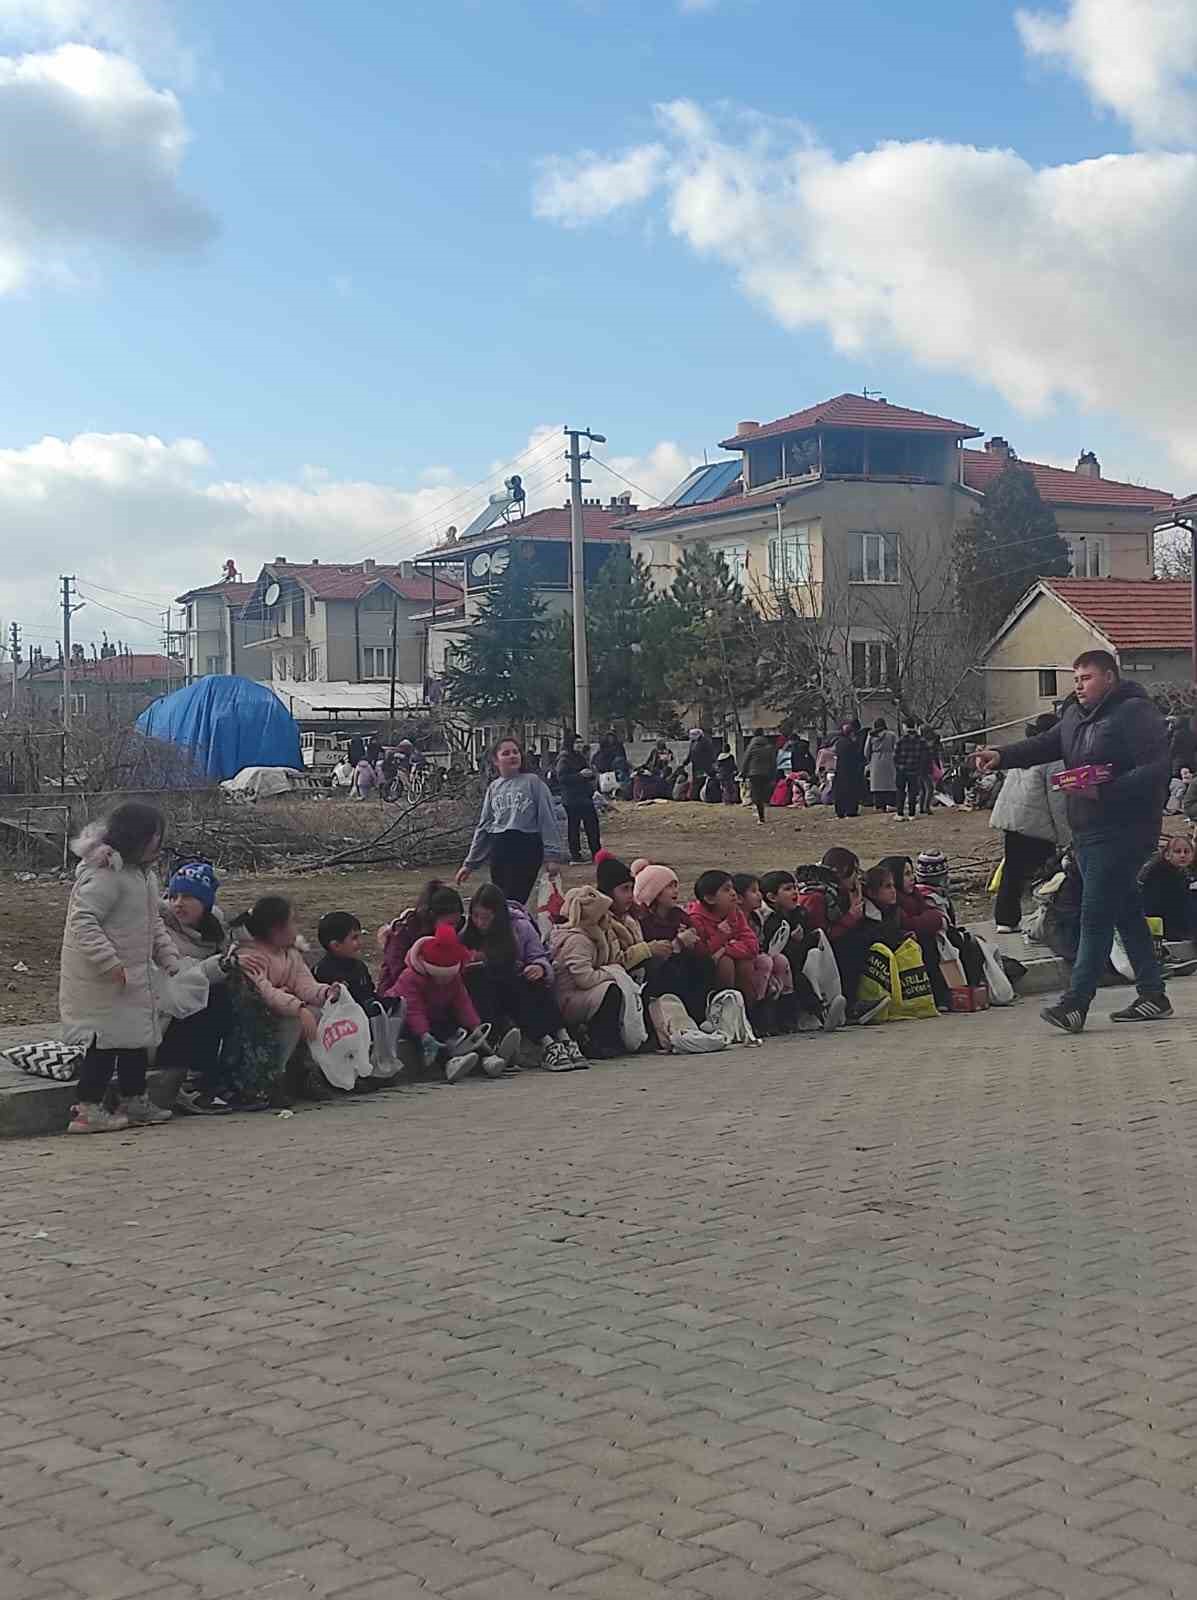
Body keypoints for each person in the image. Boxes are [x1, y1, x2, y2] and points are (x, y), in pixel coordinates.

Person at [975, 649, 1171, 1031]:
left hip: (1125, 830)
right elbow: (1044, 745)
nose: (1079, 686)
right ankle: (1153, 993)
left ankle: (1075, 1002)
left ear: (1110, 678)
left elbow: (1156, 769)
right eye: (1076, 679)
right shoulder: (1074, 718)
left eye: (1087, 678)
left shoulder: (1133, 712)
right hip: (1086, 829)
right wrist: (1000, 755)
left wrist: (1108, 791)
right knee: (1125, 911)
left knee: (1095, 915)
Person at [59, 803, 181, 1134]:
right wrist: (109, 961)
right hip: (105, 978)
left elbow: (152, 922)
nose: (158, 844)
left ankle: (134, 1098)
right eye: (153, 837)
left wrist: (169, 958)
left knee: (135, 1039)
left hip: (133, 976)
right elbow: (82, 921)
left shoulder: (143, 876)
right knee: (104, 1042)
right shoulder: (106, 874)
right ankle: (87, 1107)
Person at [227, 897, 341, 1106]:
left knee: (318, 1014)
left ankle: (304, 1073)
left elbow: (305, 984)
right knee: (295, 1021)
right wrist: (298, 1008)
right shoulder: (250, 955)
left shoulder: (290, 954)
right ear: (275, 929)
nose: (296, 927)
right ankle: (268, 1081)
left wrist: (326, 992)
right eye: (292, 922)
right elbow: (265, 992)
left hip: (283, 1009)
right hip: (254, 1023)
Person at [462, 883, 584, 1071]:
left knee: (533, 983)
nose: (480, 923)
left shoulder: (520, 927)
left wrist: (540, 968)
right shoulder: (468, 935)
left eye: (486, 918)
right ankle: (547, 1042)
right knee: (515, 984)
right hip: (493, 994)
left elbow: (539, 956)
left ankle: (563, 1037)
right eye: (476, 916)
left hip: (519, 985)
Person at [393, 922, 517, 1082]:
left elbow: (462, 1002)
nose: (445, 980)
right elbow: (413, 1009)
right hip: (406, 1019)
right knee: (428, 1036)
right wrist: (424, 1034)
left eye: (449, 976)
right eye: (441, 976)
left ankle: (487, 1056)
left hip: (436, 1015)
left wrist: (474, 1026)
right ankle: (447, 1063)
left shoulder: (454, 979)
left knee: (460, 1030)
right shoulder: (410, 978)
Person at [157, 860, 234, 1116]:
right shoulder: (160, 931)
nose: (178, 902)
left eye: (188, 897)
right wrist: (213, 970)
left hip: (195, 1019)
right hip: (161, 1022)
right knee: (212, 995)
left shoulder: (217, 931)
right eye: (173, 895)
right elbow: (176, 984)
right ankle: (195, 1083)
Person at [456, 735, 567, 904]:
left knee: (517, 899)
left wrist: (552, 856)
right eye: (506, 753)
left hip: (527, 845)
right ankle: (507, 929)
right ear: (496, 760)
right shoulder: (494, 787)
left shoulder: (533, 783)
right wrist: (470, 863)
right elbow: (484, 826)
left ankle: (517, 927)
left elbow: (547, 819)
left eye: (515, 752)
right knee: (501, 899)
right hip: (501, 846)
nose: (512, 756)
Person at [987, 713, 1070, 932]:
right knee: (1050, 874)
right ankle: (1049, 919)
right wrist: (1066, 837)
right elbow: (1058, 800)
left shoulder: (1023, 753)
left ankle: (1005, 920)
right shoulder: (1053, 759)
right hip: (1037, 825)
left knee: (1012, 870)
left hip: (1012, 821)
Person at [796, 849, 889, 1023]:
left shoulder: (834, 893)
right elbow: (821, 935)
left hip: (825, 947)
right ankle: (850, 1005)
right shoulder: (816, 896)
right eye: (855, 871)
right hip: (811, 953)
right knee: (853, 944)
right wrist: (851, 917)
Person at [548, 885, 635, 1060]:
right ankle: (601, 1041)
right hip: (567, 998)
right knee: (610, 991)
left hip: (577, 993)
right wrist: (612, 973)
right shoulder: (579, 940)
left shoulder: (595, 936)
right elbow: (584, 979)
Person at [630, 858, 717, 1026]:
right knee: (673, 970)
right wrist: (677, 943)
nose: (675, 891)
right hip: (654, 974)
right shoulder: (643, 921)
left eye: (675, 885)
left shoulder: (679, 915)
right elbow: (653, 959)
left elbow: (697, 944)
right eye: (669, 886)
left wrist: (692, 941)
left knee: (704, 963)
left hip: (682, 964)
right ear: (654, 891)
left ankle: (701, 1017)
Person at [760, 870, 841, 1030]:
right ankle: (821, 1012)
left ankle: (829, 1003)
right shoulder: (771, 921)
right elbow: (776, 950)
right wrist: (793, 940)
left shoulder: (799, 913)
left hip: (798, 961)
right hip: (783, 967)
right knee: (800, 977)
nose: (795, 892)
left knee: (816, 954)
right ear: (772, 897)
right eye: (788, 889)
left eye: (795, 887)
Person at [685, 870, 768, 1012]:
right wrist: (721, 935)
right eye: (726, 890)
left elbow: (752, 945)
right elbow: (703, 952)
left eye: (732, 888)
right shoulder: (696, 919)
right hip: (705, 970)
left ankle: (748, 1013)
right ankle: (724, 1012)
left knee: (745, 963)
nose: (733, 893)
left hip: (730, 958)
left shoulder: (735, 912)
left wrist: (726, 948)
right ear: (710, 899)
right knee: (725, 963)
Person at [877, 854, 952, 1009]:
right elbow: (910, 923)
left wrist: (932, 919)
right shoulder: (894, 901)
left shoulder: (915, 896)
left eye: (912, 873)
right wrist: (933, 920)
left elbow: (931, 915)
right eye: (906, 874)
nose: (912, 878)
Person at [379, 880, 464, 997]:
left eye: (456, 924)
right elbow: (398, 973)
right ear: (432, 917)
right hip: (400, 995)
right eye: (449, 924)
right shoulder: (403, 934)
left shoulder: (452, 932)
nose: (453, 929)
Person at [732, 871, 794, 1033]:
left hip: (756, 956)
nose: (759, 895)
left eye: (759, 890)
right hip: (743, 960)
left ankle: (781, 1011)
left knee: (780, 960)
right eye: (753, 891)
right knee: (765, 961)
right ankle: (756, 1012)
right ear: (738, 898)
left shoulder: (756, 918)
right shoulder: (733, 918)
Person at [314, 912, 378, 1011]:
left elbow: (369, 995)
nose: (360, 943)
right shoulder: (322, 972)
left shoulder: (360, 967)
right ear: (336, 946)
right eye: (354, 938)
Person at [1139, 836, 1197, 941]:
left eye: (1186, 852)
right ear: (1167, 855)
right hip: (1159, 922)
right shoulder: (1159, 872)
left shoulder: (1177, 870)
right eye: (1178, 852)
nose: (1182, 855)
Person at [556, 733, 601, 862]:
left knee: (592, 826)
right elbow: (562, 778)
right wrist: (580, 775)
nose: (580, 745)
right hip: (572, 799)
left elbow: (588, 774)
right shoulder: (564, 759)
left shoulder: (581, 757)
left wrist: (591, 774)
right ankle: (575, 854)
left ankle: (596, 852)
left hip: (584, 797)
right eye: (577, 743)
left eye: (581, 742)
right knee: (574, 828)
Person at [894, 719, 932, 821]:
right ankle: (912, 813)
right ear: (915, 726)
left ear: (905, 727)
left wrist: (898, 766)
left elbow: (895, 756)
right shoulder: (922, 741)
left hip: (902, 770)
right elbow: (926, 756)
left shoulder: (901, 740)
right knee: (913, 792)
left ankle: (900, 813)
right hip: (915, 770)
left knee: (900, 791)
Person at [741, 729, 779, 824]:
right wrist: (773, 774)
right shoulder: (769, 747)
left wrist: (743, 773)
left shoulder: (751, 746)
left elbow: (746, 760)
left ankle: (760, 816)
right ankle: (761, 812)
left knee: (756, 794)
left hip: (753, 774)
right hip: (766, 774)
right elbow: (773, 762)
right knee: (762, 794)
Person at [831, 720, 865, 819]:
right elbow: (856, 757)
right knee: (851, 791)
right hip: (851, 771)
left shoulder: (839, 743)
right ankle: (851, 810)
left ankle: (840, 811)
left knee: (840, 791)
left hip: (840, 769)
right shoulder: (851, 744)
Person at [865, 718, 898, 812]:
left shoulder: (871, 736)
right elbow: (896, 748)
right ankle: (891, 803)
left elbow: (866, 751)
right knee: (890, 783)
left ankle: (879, 805)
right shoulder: (891, 735)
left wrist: (869, 759)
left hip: (876, 760)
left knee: (877, 785)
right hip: (889, 759)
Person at [686, 727, 716, 796]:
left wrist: (712, 762)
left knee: (702, 780)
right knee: (696, 780)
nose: (691, 736)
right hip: (695, 765)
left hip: (704, 765)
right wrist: (686, 762)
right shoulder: (693, 743)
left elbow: (711, 753)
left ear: (698, 734)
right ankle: (695, 795)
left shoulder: (705, 742)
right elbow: (690, 754)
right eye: (690, 734)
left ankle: (703, 794)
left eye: (693, 734)